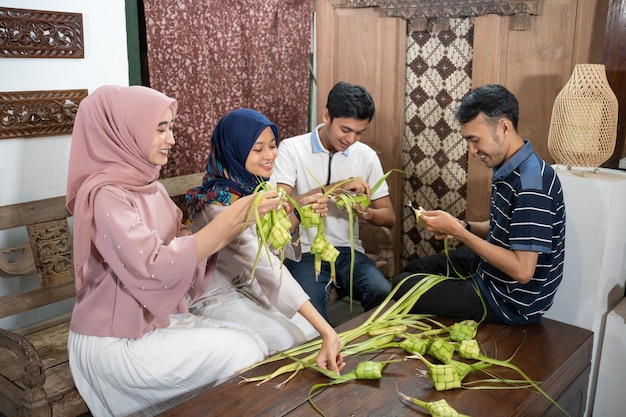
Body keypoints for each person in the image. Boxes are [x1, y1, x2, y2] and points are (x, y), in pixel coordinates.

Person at [65, 85, 283, 417]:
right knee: (244, 349)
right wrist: (235, 218)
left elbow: (188, 248)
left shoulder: (149, 188)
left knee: (253, 341)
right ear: (125, 130)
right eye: (161, 128)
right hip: (115, 341)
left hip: (155, 324)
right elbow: (155, 267)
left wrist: (235, 219)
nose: (172, 139)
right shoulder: (106, 196)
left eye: (171, 128)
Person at [392, 84, 566, 325]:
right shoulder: (512, 166)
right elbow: (505, 230)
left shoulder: (530, 184)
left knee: (403, 286)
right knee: (411, 271)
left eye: (475, 140)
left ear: (504, 126)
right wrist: (463, 225)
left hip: (507, 300)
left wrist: (460, 233)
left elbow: (522, 271)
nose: (472, 150)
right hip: (492, 273)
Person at [185, 108, 344, 368]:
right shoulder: (220, 206)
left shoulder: (256, 188)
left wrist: (300, 216)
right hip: (217, 295)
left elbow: (269, 244)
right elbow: (267, 266)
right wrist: (329, 330)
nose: (270, 155)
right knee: (289, 339)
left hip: (249, 285)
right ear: (234, 150)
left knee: (308, 334)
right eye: (258, 149)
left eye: (272, 146)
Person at [272, 81, 395, 322]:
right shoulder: (292, 149)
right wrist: (334, 188)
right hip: (303, 252)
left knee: (381, 291)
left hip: (348, 251)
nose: (351, 139)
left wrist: (363, 211)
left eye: (360, 132)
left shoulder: (365, 155)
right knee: (312, 313)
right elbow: (279, 208)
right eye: (345, 130)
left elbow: (389, 217)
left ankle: (369, 351)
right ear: (326, 115)